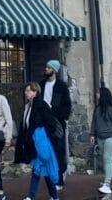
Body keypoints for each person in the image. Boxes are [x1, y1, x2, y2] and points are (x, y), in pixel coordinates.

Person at [14, 81, 60, 200]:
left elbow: (51, 122)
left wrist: (42, 133)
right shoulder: (28, 106)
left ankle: (33, 196)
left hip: (41, 142)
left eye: (28, 90)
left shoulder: (41, 105)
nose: (26, 92)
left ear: (35, 92)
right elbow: (26, 125)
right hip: (33, 142)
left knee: (40, 168)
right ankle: (52, 196)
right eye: (26, 90)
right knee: (40, 168)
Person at [40, 60, 71, 189]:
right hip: (45, 121)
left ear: (54, 70)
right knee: (47, 150)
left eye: (48, 67)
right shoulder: (41, 84)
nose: (45, 69)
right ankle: (52, 175)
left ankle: (59, 179)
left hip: (57, 122)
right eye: (46, 67)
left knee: (59, 149)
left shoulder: (61, 86)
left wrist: (61, 116)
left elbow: (67, 105)